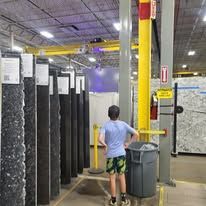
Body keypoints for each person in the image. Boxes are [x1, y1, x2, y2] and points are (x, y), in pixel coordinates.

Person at [99, 105, 139, 206]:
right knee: (121, 177)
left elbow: (100, 139)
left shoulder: (105, 125)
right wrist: (128, 143)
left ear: (109, 114)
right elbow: (136, 134)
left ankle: (113, 201)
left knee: (112, 178)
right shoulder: (123, 124)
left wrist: (105, 145)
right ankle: (124, 200)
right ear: (118, 114)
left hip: (111, 155)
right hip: (121, 154)